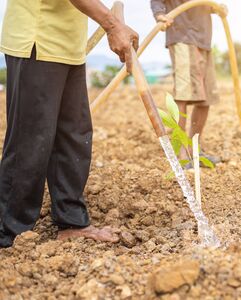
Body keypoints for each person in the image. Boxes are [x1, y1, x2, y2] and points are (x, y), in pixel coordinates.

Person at [0, 0, 139, 248]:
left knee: (74, 135)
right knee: (31, 141)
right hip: (38, 40)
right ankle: (9, 232)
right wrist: (112, 25)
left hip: (68, 47)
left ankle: (71, 221)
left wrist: (115, 19)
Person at [150, 0, 225, 166]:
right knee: (183, 95)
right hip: (182, 36)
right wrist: (159, 14)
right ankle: (181, 153)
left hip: (203, 40)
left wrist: (216, 8)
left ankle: (194, 150)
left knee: (206, 98)